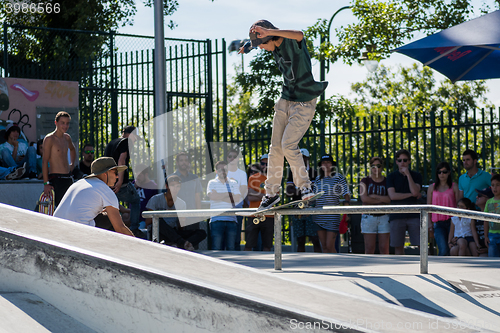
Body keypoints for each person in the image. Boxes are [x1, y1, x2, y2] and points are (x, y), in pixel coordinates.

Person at [239, 20, 328, 211]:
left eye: (262, 44)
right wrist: (249, 46)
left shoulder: (291, 42)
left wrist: (268, 31)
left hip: (303, 103)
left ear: (270, 36)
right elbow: (258, 43)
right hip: (284, 100)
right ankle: (271, 194)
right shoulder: (272, 46)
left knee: (288, 145)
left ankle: (305, 187)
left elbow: (300, 34)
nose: (262, 49)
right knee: (275, 149)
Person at [53, 157, 134, 237]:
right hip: (77, 234)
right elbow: (120, 228)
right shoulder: (105, 190)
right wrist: (138, 246)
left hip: (56, 230)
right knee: (110, 218)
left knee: (104, 216)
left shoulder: (79, 183)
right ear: (105, 173)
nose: (117, 177)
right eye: (115, 173)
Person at [145, 175, 206, 250]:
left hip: (173, 233)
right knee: (159, 221)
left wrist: (182, 220)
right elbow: (148, 222)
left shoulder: (182, 203)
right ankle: (181, 243)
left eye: (178, 186)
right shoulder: (155, 199)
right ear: (167, 186)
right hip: (157, 233)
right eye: (172, 185)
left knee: (201, 233)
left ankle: (183, 244)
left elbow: (180, 228)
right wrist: (163, 214)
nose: (175, 189)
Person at [104, 125, 143, 238]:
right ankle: (134, 228)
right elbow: (122, 160)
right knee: (135, 200)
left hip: (108, 181)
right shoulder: (126, 142)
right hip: (120, 182)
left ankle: (115, 228)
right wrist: (120, 180)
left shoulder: (112, 143)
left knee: (113, 205)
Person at [386, 149, 423, 255]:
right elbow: (393, 196)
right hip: (396, 215)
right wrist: (411, 195)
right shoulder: (391, 176)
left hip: (414, 214)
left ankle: (427, 266)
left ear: (409, 161)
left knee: (421, 244)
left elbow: (415, 191)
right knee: (398, 246)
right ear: (396, 162)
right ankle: (399, 269)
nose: (402, 163)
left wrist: (408, 175)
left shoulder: (416, 176)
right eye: (400, 160)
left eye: (405, 160)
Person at [312, 155, 350, 253]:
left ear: (332, 165)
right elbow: (313, 198)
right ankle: (327, 267)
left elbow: (346, 194)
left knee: (330, 246)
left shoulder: (338, 177)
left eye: (328, 162)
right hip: (319, 216)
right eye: (324, 162)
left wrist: (346, 213)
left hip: (332, 217)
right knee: (324, 247)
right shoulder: (317, 179)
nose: (326, 165)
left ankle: (337, 265)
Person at [286, 148, 321, 252]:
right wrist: (305, 191)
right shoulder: (292, 172)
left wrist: (297, 190)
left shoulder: (314, 172)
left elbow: (315, 192)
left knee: (315, 238)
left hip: (312, 210)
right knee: (300, 240)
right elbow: (288, 192)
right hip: (297, 210)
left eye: (303, 158)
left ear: (307, 159)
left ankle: (318, 261)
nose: (300, 160)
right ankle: (301, 262)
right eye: (298, 158)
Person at [42, 112, 77, 206]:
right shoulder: (49, 139)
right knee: (58, 210)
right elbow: (45, 161)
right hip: (56, 179)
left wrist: (72, 164)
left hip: (68, 177)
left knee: (70, 208)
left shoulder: (67, 138)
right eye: (62, 123)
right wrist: (46, 183)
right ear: (56, 123)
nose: (65, 126)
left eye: (67, 123)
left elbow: (73, 149)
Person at [359, 157, 391, 255]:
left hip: (384, 216)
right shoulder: (365, 181)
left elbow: (390, 199)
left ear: (382, 167)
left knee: (384, 248)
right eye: (373, 166)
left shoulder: (387, 181)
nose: (375, 168)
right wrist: (382, 199)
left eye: (378, 166)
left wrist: (374, 197)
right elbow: (364, 199)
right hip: (369, 216)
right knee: (369, 248)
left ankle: (385, 269)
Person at [426, 162, 459, 256]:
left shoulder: (454, 186)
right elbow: (428, 207)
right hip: (438, 224)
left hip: (452, 222)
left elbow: (459, 206)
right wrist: (429, 224)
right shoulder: (431, 188)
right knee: (443, 249)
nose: (442, 174)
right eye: (439, 172)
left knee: (452, 248)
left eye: (444, 172)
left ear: (449, 173)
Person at [207, 161, 241, 250]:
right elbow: (213, 196)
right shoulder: (212, 182)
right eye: (220, 169)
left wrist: (219, 195)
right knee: (216, 248)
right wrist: (229, 194)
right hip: (216, 219)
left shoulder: (233, 183)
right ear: (216, 171)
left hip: (231, 220)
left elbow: (237, 199)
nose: (223, 171)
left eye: (225, 169)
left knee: (231, 248)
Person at [245, 163, 274, 252]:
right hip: (254, 214)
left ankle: (268, 265)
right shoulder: (252, 178)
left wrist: (256, 193)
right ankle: (245, 265)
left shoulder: (274, 179)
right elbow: (250, 197)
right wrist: (266, 196)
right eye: (262, 163)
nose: (264, 165)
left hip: (268, 215)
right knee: (248, 245)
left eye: (267, 163)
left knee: (267, 246)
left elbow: (273, 198)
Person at [171, 151, 203, 228]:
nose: (184, 163)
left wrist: (198, 215)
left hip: (192, 217)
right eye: (181, 160)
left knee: (192, 239)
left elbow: (197, 197)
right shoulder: (171, 178)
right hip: (176, 217)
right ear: (177, 162)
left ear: (188, 162)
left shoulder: (194, 178)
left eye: (186, 160)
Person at [226, 148, 248, 250]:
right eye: (230, 156)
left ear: (238, 159)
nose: (232, 159)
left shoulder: (242, 174)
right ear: (227, 158)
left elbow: (243, 191)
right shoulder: (222, 172)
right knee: (223, 239)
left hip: (238, 209)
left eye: (234, 157)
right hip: (224, 209)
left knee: (236, 239)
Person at [132, 165, 158, 237]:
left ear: (146, 175)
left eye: (139, 175)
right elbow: (127, 200)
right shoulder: (134, 183)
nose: (137, 178)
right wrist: (134, 187)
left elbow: (154, 205)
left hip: (143, 218)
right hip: (131, 216)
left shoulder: (153, 187)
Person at [472, 187, 492, 257]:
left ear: (488, 199)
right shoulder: (474, 215)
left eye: (480, 196)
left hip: (491, 249)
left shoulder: (494, 216)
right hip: (476, 248)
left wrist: (487, 249)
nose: (476, 197)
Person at [484, 174, 500, 257]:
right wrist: (486, 236)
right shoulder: (488, 202)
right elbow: (486, 220)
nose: (495, 188)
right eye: (493, 185)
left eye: (498, 185)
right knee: (492, 260)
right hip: (492, 236)